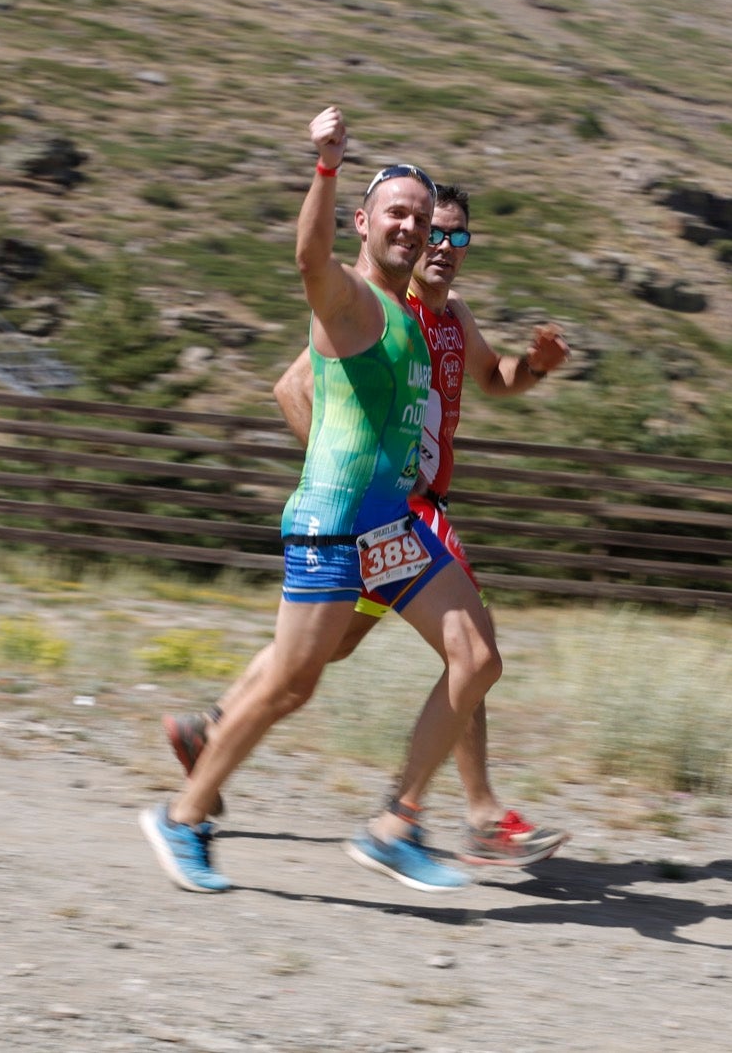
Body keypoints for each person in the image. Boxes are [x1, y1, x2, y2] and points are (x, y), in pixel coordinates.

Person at [140, 106, 500, 894]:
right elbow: (308, 258)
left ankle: (394, 825)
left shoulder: (411, 316)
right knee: (290, 685)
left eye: (420, 215)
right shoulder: (352, 300)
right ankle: (185, 816)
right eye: (394, 213)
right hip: (335, 528)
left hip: (391, 528)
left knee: (476, 659)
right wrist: (326, 168)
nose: (409, 226)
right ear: (365, 224)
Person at [164, 182, 573, 867]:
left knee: (328, 652)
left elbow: (494, 380)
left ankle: (209, 730)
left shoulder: (452, 319)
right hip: (392, 512)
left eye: (457, 236)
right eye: (430, 231)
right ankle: (469, 816)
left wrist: (533, 366)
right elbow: (294, 387)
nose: (441, 245)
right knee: (467, 649)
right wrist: (354, 477)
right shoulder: (379, 312)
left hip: (406, 510)